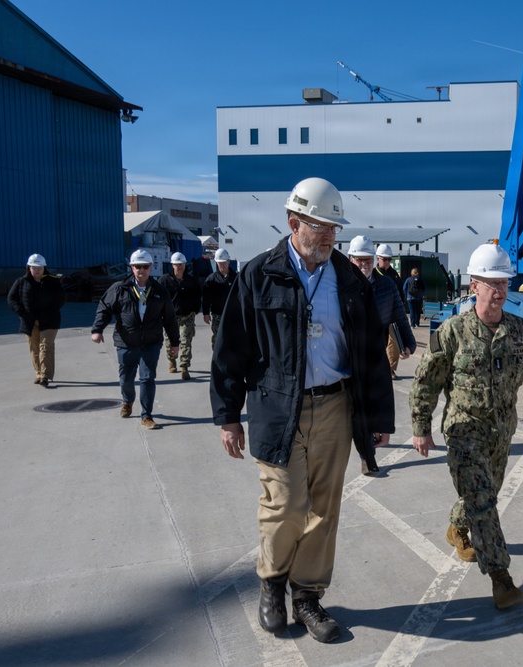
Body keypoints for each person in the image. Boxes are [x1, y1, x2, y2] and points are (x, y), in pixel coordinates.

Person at [210, 177, 394, 643]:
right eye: (320, 226)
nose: (330, 236)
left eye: (334, 228)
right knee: (286, 503)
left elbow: (371, 353)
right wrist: (228, 415)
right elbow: (230, 348)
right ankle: (272, 582)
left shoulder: (349, 280)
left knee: (324, 507)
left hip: (336, 405)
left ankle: (307, 595)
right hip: (278, 407)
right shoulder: (259, 274)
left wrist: (378, 418)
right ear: (294, 224)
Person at [409, 242, 523, 610]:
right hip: (464, 431)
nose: (498, 291)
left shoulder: (520, 331)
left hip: (502, 432)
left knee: (485, 493)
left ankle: (457, 525)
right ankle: (501, 577)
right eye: (491, 283)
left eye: (503, 283)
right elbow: (426, 381)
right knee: (482, 500)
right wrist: (420, 425)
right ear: (474, 286)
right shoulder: (453, 332)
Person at [348, 235, 416, 476]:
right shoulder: (341, 284)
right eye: (359, 260)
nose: (364, 264)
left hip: (375, 355)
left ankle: (367, 455)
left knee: (373, 405)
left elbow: (398, 315)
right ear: (350, 259)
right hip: (347, 355)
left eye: (368, 260)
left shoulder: (386, 285)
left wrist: (408, 343)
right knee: (351, 408)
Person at [91, 249, 179, 430]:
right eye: (138, 266)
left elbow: (170, 318)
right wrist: (97, 329)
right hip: (126, 343)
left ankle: (146, 415)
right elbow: (104, 308)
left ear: (151, 267)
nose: (142, 270)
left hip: (150, 343)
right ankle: (127, 400)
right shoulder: (119, 288)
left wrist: (175, 342)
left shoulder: (159, 291)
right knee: (126, 379)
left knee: (147, 379)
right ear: (132, 268)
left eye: (145, 266)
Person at [7, 253, 66, 386]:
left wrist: (52, 310)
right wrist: (21, 312)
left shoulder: (53, 281)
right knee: (34, 348)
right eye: (34, 268)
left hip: (50, 320)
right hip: (30, 321)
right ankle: (38, 373)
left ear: (44, 268)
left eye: (40, 268)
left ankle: (45, 376)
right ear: (29, 268)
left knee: (45, 346)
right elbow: (11, 299)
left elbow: (61, 298)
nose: (37, 270)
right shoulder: (21, 282)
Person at [158, 252, 202, 380]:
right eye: (177, 264)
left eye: (182, 264)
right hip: (170, 318)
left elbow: (197, 296)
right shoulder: (164, 281)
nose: (180, 267)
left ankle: (184, 367)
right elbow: (158, 298)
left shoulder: (191, 281)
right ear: (172, 265)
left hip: (187, 316)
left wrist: (195, 310)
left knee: (185, 341)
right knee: (170, 342)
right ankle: (172, 360)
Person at [375, 243, 405, 378]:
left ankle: (390, 369)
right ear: (378, 259)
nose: (387, 262)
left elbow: (400, 292)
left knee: (393, 342)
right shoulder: (374, 274)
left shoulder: (394, 275)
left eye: (389, 259)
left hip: (393, 315)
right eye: (385, 259)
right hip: (378, 315)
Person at [202, 248, 237, 347]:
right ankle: (217, 356)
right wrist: (205, 313)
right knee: (218, 339)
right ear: (216, 262)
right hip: (217, 314)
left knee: (233, 339)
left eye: (224, 262)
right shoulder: (211, 280)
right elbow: (206, 298)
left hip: (232, 315)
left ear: (228, 261)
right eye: (220, 263)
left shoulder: (236, 278)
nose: (222, 265)